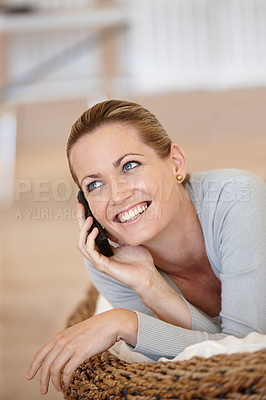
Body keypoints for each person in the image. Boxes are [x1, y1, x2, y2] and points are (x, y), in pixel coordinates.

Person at [27, 99, 266, 395]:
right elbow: (215, 351)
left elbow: (248, 351)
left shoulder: (234, 200)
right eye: (94, 184)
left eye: (129, 165)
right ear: (85, 205)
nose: (116, 196)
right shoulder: (109, 262)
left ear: (176, 162)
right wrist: (150, 284)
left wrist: (125, 323)